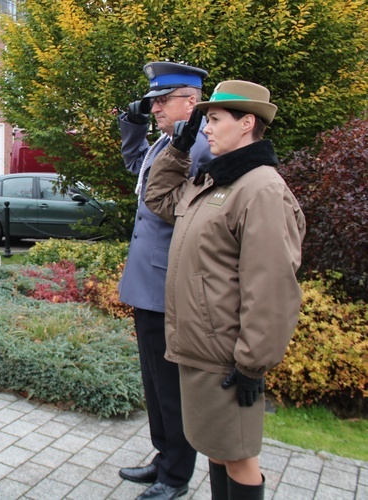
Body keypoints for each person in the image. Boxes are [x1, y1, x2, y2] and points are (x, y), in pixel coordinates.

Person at [144, 81, 306, 500]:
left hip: (228, 358)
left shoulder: (261, 189)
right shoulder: (213, 182)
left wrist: (253, 363)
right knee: (216, 449)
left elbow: (270, 287)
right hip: (201, 349)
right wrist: (177, 150)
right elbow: (158, 197)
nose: (207, 128)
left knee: (238, 456)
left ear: (247, 122)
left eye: (214, 119)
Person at [117, 61, 212, 500]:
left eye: (161, 100)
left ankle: (175, 476)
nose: (154, 107)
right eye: (152, 100)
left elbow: (181, 207)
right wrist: (133, 126)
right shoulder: (163, 143)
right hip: (147, 282)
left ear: (191, 103)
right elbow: (139, 170)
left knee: (172, 387)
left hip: (168, 284)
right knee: (154, 382)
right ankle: (163, 457)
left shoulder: (203, 148)